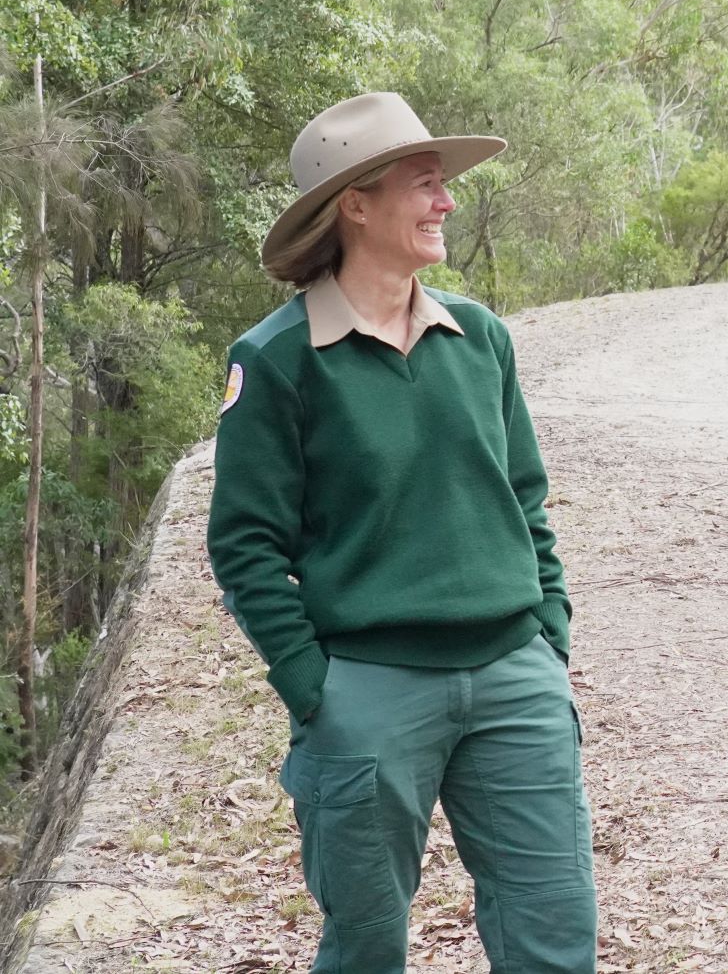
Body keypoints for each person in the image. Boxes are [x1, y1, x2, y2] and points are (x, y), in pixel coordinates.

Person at [206, 92, 595, 972]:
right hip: (369, 694)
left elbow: (525, 497)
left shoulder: (481, 338)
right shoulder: (275, 360)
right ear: (356, 203)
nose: (446, 202)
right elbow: (243, 544)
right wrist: (316, 688)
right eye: (425, 185)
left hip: (514, 683)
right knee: (367, 949)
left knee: (556, 943)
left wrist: (548, 632)